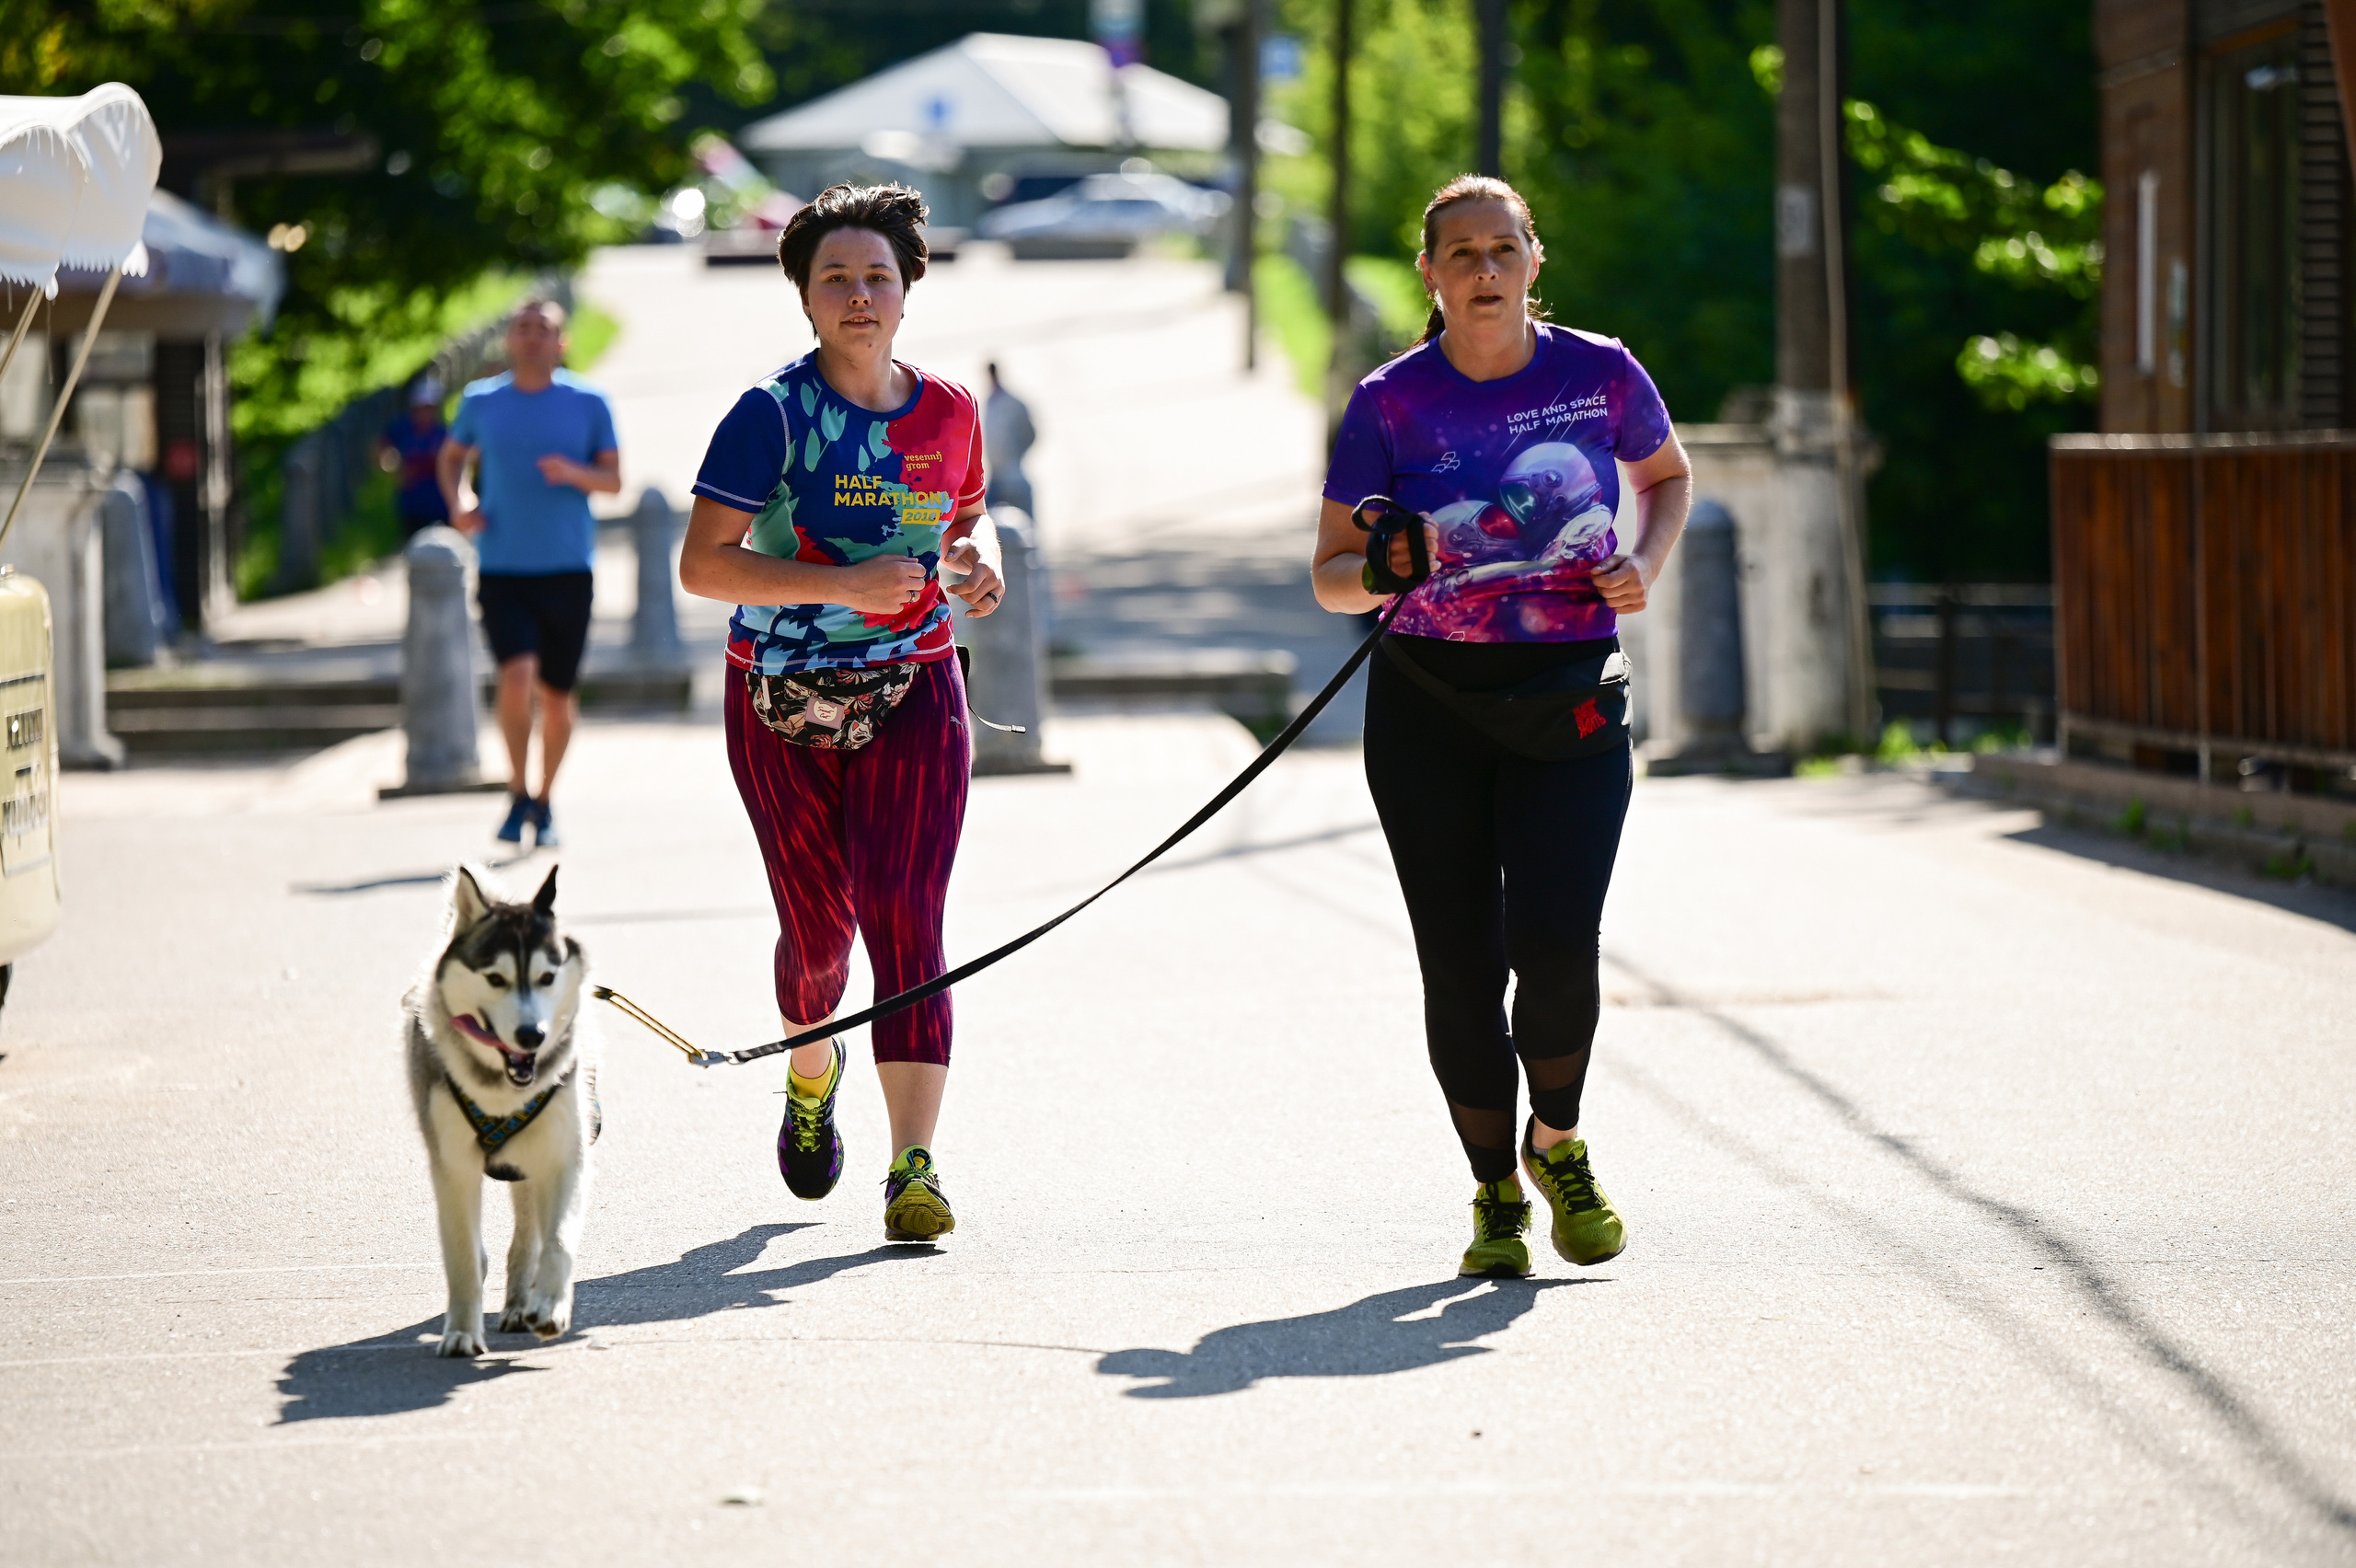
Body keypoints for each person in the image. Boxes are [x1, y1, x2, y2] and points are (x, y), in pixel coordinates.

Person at [1312, 174, 1693, 1280]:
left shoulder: (1601, 373)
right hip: (1426, 704)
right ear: (1429, 277)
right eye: (1460, 255)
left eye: (1502, 250)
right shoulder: (1390, 401)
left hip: (1568, 691)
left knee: (1556, 946)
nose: (1484, 271)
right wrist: (1389, 564)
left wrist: (1644, 564)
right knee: (1461, 966)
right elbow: (1332, 579)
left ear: (1535, 260)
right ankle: (1491, 1192)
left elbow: (1665, 477)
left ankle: (1557, 1143)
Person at [677, 183, 1005, 1244]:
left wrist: (976, 560)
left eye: (877, 276)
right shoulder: (767, 416)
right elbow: (701, 565)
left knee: (906, 914)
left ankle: (916, 1166)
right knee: (819, 936)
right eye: (835, 279)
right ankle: (808, 1073)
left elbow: (967, 512)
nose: (859, 295)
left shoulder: (949, 409)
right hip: (779, 700)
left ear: (909, 288)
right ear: (806, 300)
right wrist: (839, 586)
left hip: (915, 684)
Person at [437, 299, 621, 850]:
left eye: (543, 330)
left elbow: (613, 481)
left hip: (567, 568)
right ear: (509, 341)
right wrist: (461, 499)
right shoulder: (481, 401)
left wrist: (573, 472)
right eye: (523, 328)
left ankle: (544, 800)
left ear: (560, 343)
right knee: (517, 678)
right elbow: (451, 458)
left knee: (557, 696)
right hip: (502, 566)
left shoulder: (588, 401)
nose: (532, 337)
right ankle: (517, 791)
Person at [376, 376, 451, 537]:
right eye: (423, 406)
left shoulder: (443, 432)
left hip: (440, 505)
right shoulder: (402, 429)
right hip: (411, 505)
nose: (427, 411)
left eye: (430, 407)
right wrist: (393, 469)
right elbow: (380, 450)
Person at [981, 360, 1035, 515]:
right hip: (995, 473)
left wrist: (1016, 455)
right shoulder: (990, 402)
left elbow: (1030, 433)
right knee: (986, 516)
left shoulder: (1013, 402)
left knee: (1025, 519)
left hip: (1013, 471)